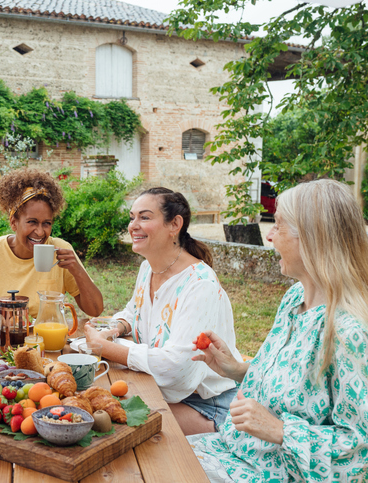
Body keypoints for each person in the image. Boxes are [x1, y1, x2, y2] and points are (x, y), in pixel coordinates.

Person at [187, 179, 368, 482]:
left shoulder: (348, 332)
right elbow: (296, 388)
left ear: (313, 238)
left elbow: (360, 453)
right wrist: (238, 369)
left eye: (279, 225)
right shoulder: (294, 299)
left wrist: (280, 431)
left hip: (267, 474)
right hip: (232, 450)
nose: (269, 236)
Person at [85, 187, 241, 435]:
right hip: (163, 390)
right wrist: (113, 328)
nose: (133, 225)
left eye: (144, 217)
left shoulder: (200, 286)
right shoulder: (149, 268)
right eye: (132, 217)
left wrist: (106, 348)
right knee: (93, 402)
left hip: (207, 405)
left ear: (174, 225)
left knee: (109, 423)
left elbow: (177, 369)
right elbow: (133, 310)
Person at [0, 168, 103, 318]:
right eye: (32, 222)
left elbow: (95, 310)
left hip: (46, 338)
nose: (40, 232)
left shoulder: (61, 251)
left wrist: (77, 270)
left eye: (47, 223)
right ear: (14, 222)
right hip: (2, 337)